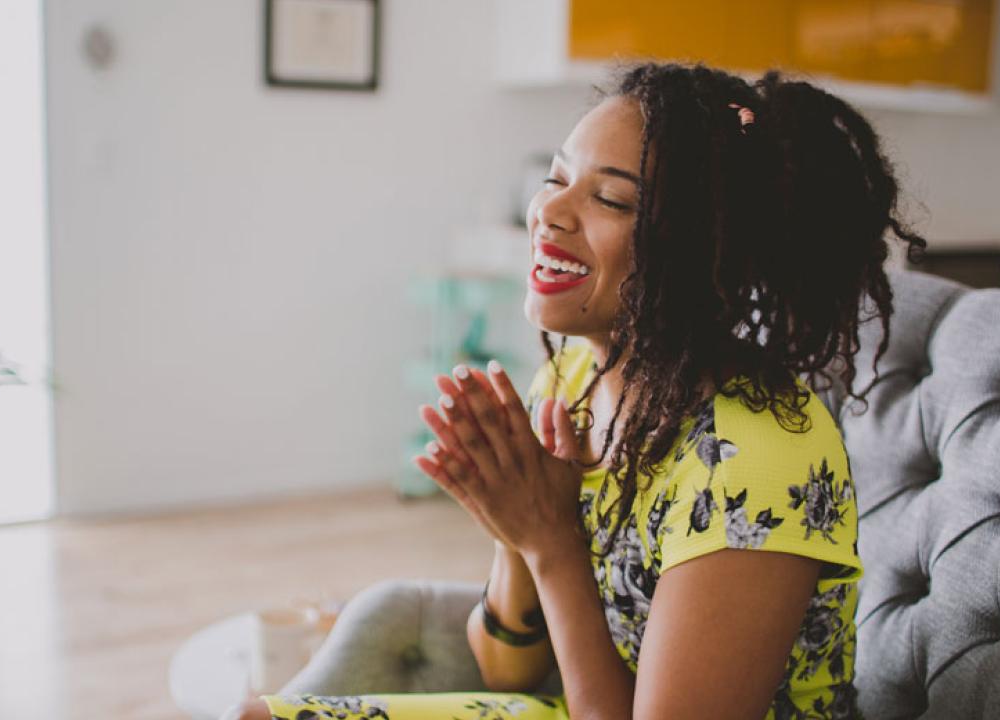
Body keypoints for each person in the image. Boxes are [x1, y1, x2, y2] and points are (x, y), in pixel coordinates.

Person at [235, 60, 925, 720]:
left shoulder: (758, 460)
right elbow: (506, 669)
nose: (550, 213)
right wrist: (517, 528)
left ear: (701, 250)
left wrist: (552, 542)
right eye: (556, 177)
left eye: (612, 198)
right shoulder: (574, 377)